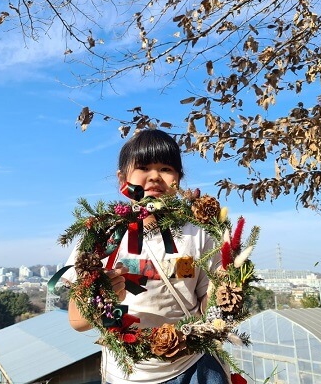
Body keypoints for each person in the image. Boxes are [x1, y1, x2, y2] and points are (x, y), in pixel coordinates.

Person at [64, 129, 228, 384]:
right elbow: (77, 320)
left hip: (195, 366)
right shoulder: (100, 237)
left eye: (166, 168)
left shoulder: (199, 234)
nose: (154, 177)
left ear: (179, 179)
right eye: (143, 167)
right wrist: (102, 299)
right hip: (129, 374)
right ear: (122, 178)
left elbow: (210, 304)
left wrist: (227, 288)